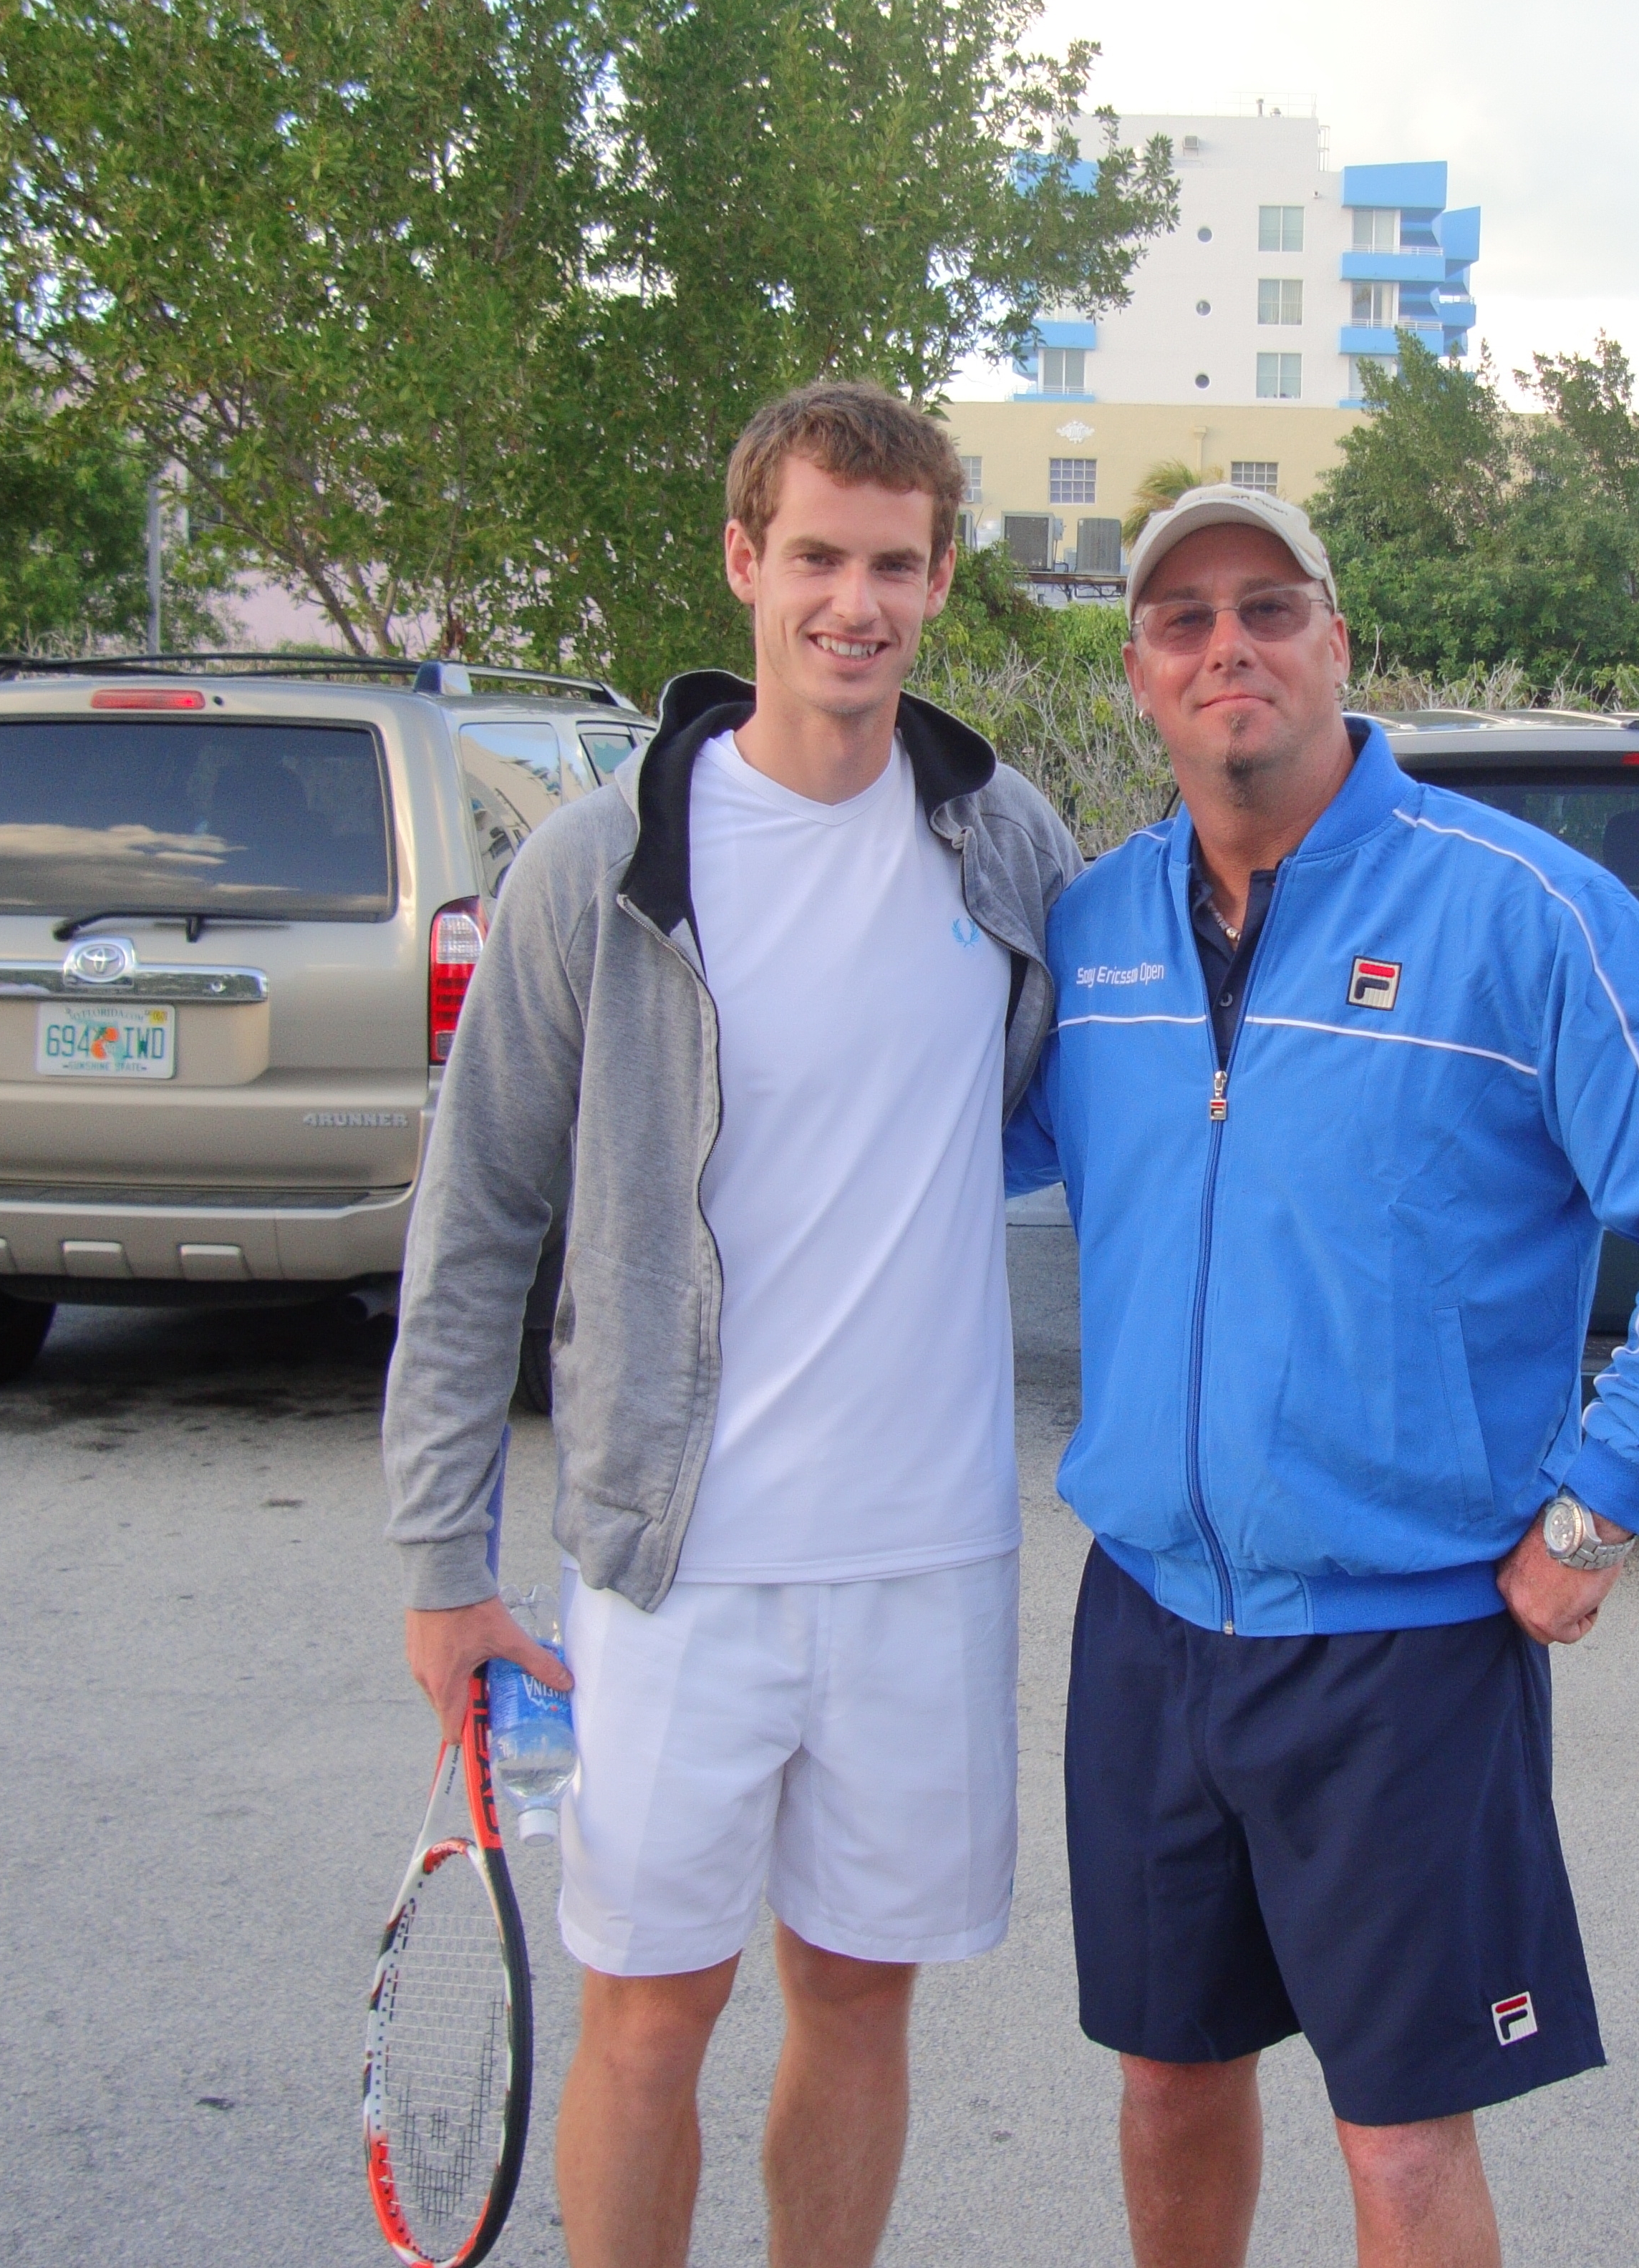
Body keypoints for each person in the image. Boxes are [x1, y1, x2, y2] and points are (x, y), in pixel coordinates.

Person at [1006, 485, 1639, 2268]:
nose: (1229, 646)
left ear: (1337, 643)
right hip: (1149, 1622)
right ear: (1141, 676)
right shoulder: (1092, 936)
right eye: (1183, 620)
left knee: (1397, 2144)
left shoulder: (1522, 911)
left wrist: (1598, 1512)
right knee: (1166, 2083)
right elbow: (910, 1161)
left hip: (1400, 1646)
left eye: (1270, 607)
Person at [383, 382, 1080, 2268]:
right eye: (818, 559)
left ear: (940, 579)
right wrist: (446, 1562)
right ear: (743, 562)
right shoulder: (594, 869)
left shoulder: (1004, 843)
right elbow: (472, 1235)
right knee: (651, 2018)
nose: (855, 603)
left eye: (894, 565)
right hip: (671, 1562)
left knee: (861, 2003)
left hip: (924, 1558)